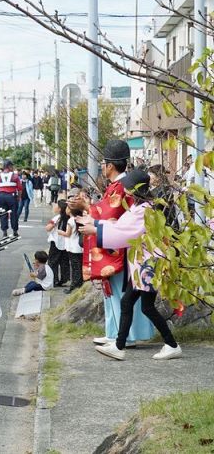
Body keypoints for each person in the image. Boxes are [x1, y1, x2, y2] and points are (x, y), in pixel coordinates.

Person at [77, 170, 181, 361]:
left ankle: (172, 344)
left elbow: (124, 233)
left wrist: (95, 229)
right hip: (144, 264)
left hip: (148, 265)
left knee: (147, 307)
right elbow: (119, 226)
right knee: (128, 303)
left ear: (134, 190)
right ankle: (119, 346)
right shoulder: (142, 206)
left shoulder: (144, 210)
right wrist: (94, 223)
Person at [68, 139, 154, 347]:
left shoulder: (122, 186)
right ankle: (114, 332)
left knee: (120, 293)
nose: (103, 167)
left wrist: (87, 205)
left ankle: (126, 335)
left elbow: (110, 213)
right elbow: (107, 212)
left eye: (104, 163)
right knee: (114, 293)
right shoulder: (121, 185)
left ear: (110, 165)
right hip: (117, 241)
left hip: (120, 245)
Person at [0, 160, 22, 238]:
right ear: (9, 166)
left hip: (1, 196)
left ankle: (4, 232)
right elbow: (19, 189)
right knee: (14, 215)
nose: (13, 167)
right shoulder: (15, 176)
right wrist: (19, 197)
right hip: (12, 196)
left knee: (3, 214)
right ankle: (15, 231)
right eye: (12, 166)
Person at [63, 202, 84, 293]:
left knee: (75, 267)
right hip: (79, 247)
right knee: (79, 266)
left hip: (72, 247)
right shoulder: (79, 219)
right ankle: (79, 284)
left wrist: (59, 232)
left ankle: (74, 286)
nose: (66, 209)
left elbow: (67, 234)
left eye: (67, 208)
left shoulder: (70, 220)